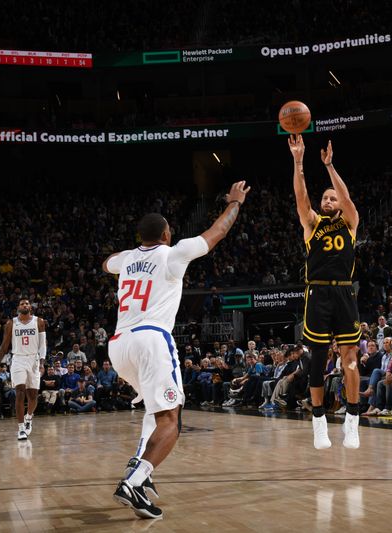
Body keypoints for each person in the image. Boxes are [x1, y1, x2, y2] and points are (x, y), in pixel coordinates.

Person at [103, 180, 250, 519]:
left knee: (155, 412)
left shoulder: (126, 260)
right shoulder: (173, 254)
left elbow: (105, 263)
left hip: (119, 346)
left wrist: (131, 257)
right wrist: (235, 203)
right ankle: (134, 481)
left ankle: (141, 465)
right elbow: (217, 233)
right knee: (172, 417)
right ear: (167, 235)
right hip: (151, 339)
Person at [289, 134, 361, 450]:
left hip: (345, 293)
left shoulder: (350, 223)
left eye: (333, 198)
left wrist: (330, 166)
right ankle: (319, 420)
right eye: (326, 198)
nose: (329, 201)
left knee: (350, 358)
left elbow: (347, 199)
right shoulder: (312, 224)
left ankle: (353, 420)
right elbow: (300, 195)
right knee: (318, 358)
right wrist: (299, 160)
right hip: (317, 295)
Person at [0, 298, 46, 440]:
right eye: (22, 303)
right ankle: (21, 428)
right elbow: (4, 346)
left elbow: (43, 345)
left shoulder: (39, 322)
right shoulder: (11, 323)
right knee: (20, 392)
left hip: (34, 359)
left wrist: (42, 363)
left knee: (33, 396)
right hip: (17, 359)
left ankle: (29, 417)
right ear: (18, 307)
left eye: (27, 303)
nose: (24, 305)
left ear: (31, 307)